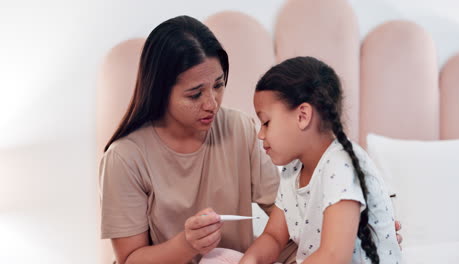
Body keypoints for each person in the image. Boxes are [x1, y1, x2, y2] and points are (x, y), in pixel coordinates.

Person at [99, 15, 402, 264]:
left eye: (218, 85)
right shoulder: (125, 158)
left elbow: (288, 228)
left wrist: (360, 233)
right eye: (195, 94)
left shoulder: (238, 128)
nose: (211, 103)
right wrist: (186, 244)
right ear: (159, 90)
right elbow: (128, 259)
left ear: (303, 116)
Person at [235, 56, 402, 264]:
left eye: (266, 122)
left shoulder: (342, 165)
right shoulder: (292, 170)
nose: (261, 134)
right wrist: (249, 260)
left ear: (302, 116)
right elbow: (274, 236)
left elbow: (333, 256)